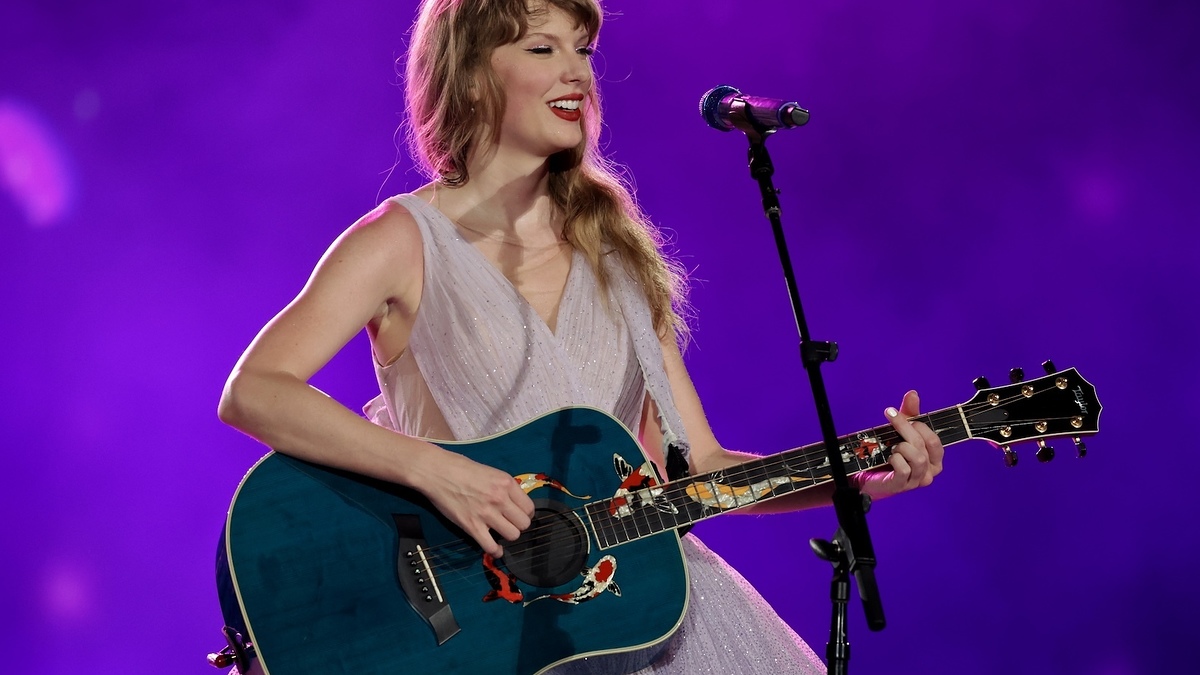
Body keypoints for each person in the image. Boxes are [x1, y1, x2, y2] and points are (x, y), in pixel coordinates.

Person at [216, 0, 945, 672]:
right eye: (543, 48)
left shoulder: (618, 253)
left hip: (649, 624)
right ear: (470, 77)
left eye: (584, 49)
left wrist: (860, 481)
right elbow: (254, 390)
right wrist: (437, 471)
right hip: (488, 633)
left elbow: (702, 468)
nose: (577, 72)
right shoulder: (403, 241)